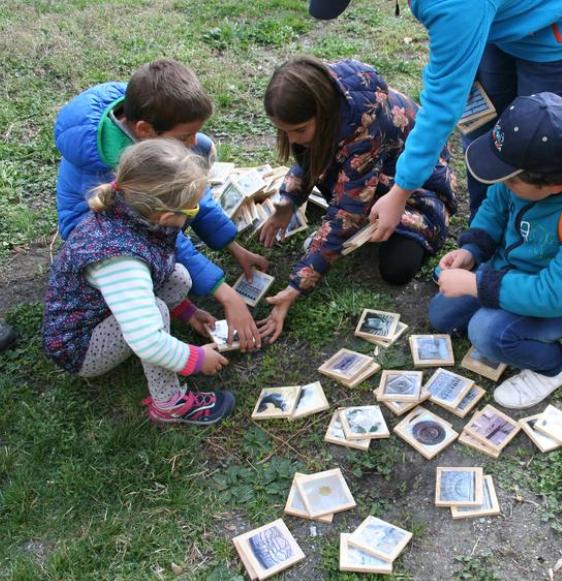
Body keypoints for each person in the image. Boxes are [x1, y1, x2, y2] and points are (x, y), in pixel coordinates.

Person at [307, 0, 562, 227]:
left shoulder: (452, 5)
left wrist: (401, 191)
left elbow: (442, 103)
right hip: (494, 23)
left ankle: (531, 248)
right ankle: (484, 231)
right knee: (485, 131)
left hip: (558, 31)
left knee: (540, 154)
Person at [54, 58, 267, 351]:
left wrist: (232, 245)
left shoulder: (145, 120)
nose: (192, 142)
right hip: (103, 239)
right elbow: (161, 237)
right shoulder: (111, 169)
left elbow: (193, 197)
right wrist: (226, 294)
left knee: (201, 151)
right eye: (183, 136)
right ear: (145, 130)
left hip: (148, 214)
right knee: (159, 260)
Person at [428, 93, 562, 408]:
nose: (505, 185)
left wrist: (476, 285)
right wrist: (473, 251)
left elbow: (553, 296)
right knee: (442, 314)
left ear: (553, 186)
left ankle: (554, 367)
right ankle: (498, 307)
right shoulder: (519, 177)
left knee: (488, 334)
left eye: (512, 182)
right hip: (510, 272)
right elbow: (495, 207)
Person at [256, 56, 457, 343]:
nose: (292, 140)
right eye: (285, 131)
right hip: (369, 172)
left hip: (416, 187)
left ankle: (413, 223)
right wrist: (288, 201)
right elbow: (309, 159)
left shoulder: (365, 129)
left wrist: (295, 289)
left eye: (299, 130)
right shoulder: (326, 101)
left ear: (323, 112)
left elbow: (346, 214)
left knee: (397, 267)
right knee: (352, 202)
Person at [42, 140, 235, 425]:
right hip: (81, 347)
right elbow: (147, 341)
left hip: (102, 308)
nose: (193, 213)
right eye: (192, 210)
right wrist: (194, 359)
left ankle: (159, 322)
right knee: (154, 313)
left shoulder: (131, 212)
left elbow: (160, 272)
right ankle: (169, 403)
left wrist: (188, 312)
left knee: (178, 276)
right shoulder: (121, 260)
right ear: (168, 217)